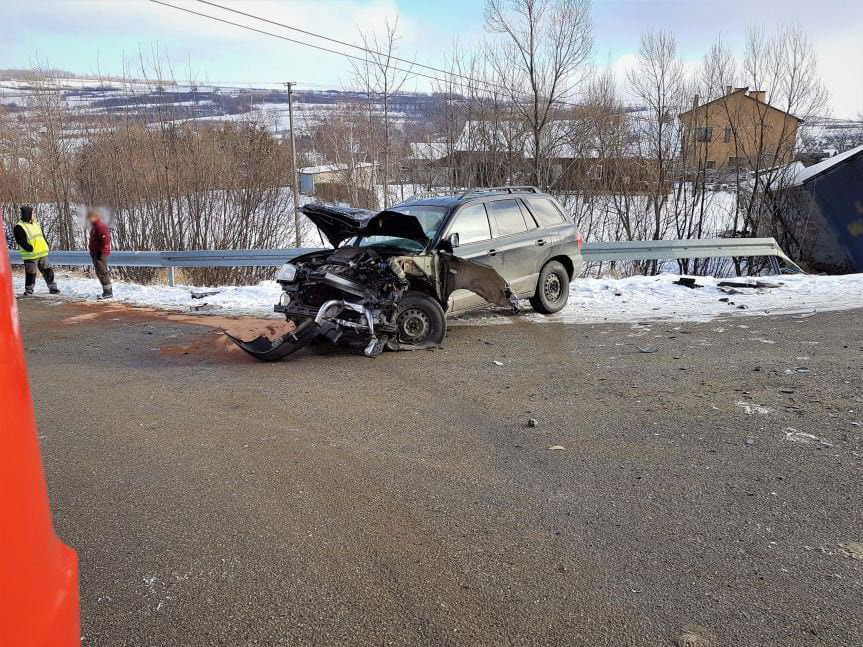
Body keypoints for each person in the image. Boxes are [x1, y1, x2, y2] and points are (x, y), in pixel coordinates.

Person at [14, 206, 59, 297]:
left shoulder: (36, 224)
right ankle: (29, 291)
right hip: (30, 255)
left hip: (42, 253)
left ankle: (53, 288)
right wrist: (28, 248)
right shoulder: (19, 226)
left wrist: (46, 243)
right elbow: (20, 240)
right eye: (32, 213)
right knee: (31, 274)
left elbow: (42, 236)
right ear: (28, 214)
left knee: (48, 270)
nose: (34, 215)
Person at [87, 208, 112, 300]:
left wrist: (102, 252)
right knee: (99, 272)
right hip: (95, 253)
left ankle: (108, 292)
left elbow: (105, 240)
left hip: (100, 254)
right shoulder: (94, 227)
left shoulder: (100, 226)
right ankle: (106, 291)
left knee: (102, 272)